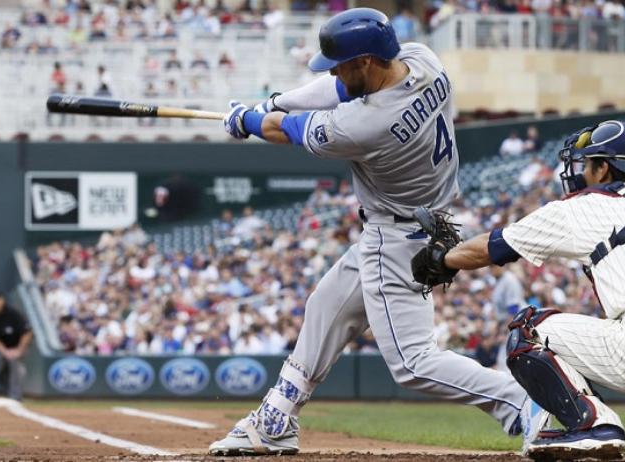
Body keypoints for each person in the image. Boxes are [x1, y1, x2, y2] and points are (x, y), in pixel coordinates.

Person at [210, 7, 545, 457]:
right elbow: (334, 88)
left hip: (398, 238)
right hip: (425, 223)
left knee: (413, 363)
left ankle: (523, 403)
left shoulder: (366, 124)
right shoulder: (425, 60)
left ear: (366, 61)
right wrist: (275, 101)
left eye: (344, 63)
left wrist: (249, 121)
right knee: (327, 306)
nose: (337, 72)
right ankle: (276, 419)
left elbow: (285, 130)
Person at [417, 120, 625, 460]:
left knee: (528, 329)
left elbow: (494, 247)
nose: (581, 171)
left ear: (604, 168)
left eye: (587, 163)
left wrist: (444, 259)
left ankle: (593, 426)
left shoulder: (590, 206)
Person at [0, 287, 32, 401]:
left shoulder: (13, 314)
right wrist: (5, 352)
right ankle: (11, 389)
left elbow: (27, 333)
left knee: (14, 364)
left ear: (2, 299)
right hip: (5, 349)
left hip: (20, 346)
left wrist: (19, 350)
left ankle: (16, 396)